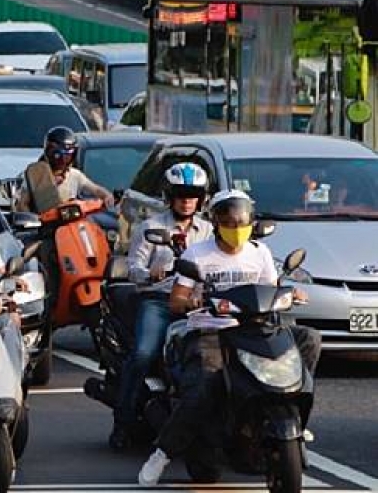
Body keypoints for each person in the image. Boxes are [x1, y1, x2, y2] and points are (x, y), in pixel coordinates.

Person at [138, 190, 323, 486]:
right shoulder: (197, 254)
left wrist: (290, 293)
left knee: (308, 339)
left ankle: (295, 419)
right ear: (216, 222)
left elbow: (271, 287)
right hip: (210, 331)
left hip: (255, 328)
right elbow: (176, 300)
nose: (235, 228)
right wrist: (193, 302)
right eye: (228, 221)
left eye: (241, 221)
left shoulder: (259, 253)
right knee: (201, 389)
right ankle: (163, 452)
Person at [109, 162, 213, 450]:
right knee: (143, 354)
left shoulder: (209, 230)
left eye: (193, 194)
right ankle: (124, 420)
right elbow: (133, 268)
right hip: (159, 300)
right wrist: (149, 274)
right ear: (170, 196)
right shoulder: (151, 227)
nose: (187, 199)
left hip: (199, 304)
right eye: (181, 193)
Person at [15, 126, 115, 213]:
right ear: (49, 152)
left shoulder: (75, 175)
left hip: (70, 225)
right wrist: (33, 222)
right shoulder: (36, 175)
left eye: (68, 154)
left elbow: (96, 189)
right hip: (44, 228)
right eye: (59, 154)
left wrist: (107, 196)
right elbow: (23, 204)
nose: (63, 158)